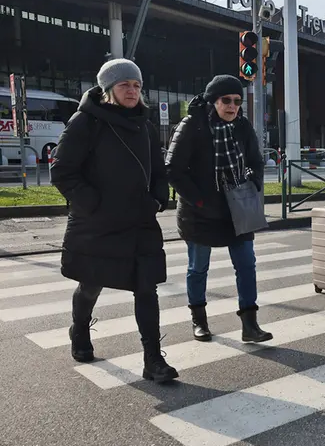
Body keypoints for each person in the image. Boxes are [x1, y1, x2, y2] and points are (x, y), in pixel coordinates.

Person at [50, 58, 178, 382]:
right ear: (108, 89)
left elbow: (159, 171)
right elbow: (62, 171)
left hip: (140, 221)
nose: (132, 91)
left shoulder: (146, 126)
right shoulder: (85, 122)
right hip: (99, 224)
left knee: (146, 288)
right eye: (124, 85)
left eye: (136, 85)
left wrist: (158, 198)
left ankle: (153, 359)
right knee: (91, 283)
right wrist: (93, 204)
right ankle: (80, 329)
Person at [166, 75, 272, 344]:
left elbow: (256, 161)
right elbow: (173, 169)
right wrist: (198, 200)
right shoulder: (192, 125)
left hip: (237, 209)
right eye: (226, 100)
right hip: (199, 213)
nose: (232, 106)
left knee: (246, 265)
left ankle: (250, 324)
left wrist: (253, 184)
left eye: (237, 101)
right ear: (213, 101)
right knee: (198, 268)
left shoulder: (243, 126)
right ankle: (199, 321)